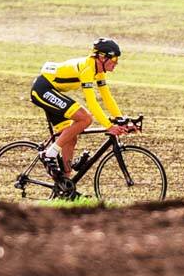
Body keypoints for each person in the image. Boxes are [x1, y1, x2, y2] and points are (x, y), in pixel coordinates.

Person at [29, 38, 136, 185]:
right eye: (114, 58)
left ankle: (64, 186)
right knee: (85, 118)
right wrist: (108, 126)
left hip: (52, 90)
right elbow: (92, 102)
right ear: (102, 57)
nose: (116, 62)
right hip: (43, 89)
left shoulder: (99, 71)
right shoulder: (87, 69)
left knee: (70, 138)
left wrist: (120, 119)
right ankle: (49, 154)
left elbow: (107, 97)